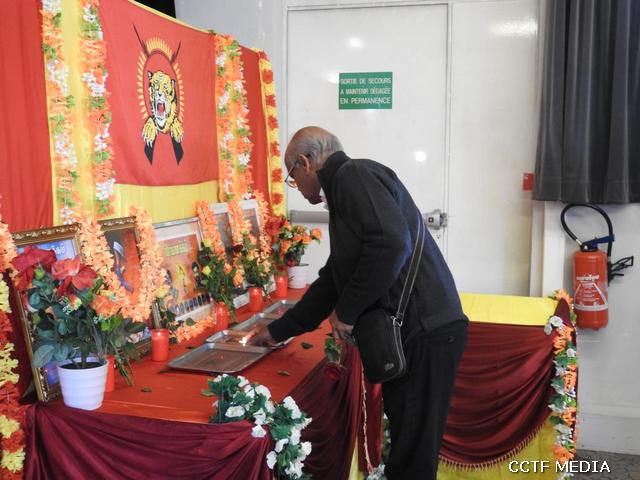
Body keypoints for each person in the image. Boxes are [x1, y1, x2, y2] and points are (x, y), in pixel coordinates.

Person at [249, 126, 468, 479]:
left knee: (413, 458)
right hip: (420, 333)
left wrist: (346, 312)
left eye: (292, 176)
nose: (297, 186)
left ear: (306, 162)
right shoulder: (345, 186)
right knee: (408, 448)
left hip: (426, 332)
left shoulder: (354, 175)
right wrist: (278, 331)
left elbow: (391, 244)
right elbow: (333, 279)